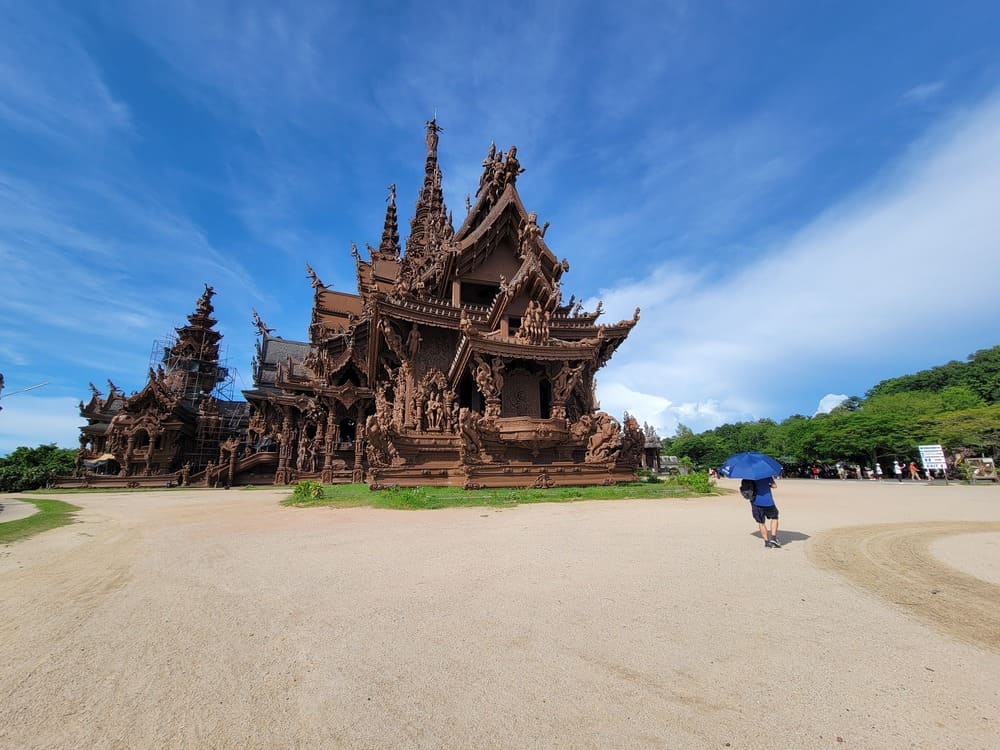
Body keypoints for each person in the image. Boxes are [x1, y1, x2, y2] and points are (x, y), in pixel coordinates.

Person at [750, 476, 781, 548]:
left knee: (761, 522)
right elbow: (774, 486)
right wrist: (769, 485)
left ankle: (766, 542)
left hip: (755, 502)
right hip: (768, 501)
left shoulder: (750, 476)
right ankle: (773, 538)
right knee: (774, 517)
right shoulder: (766, 475)